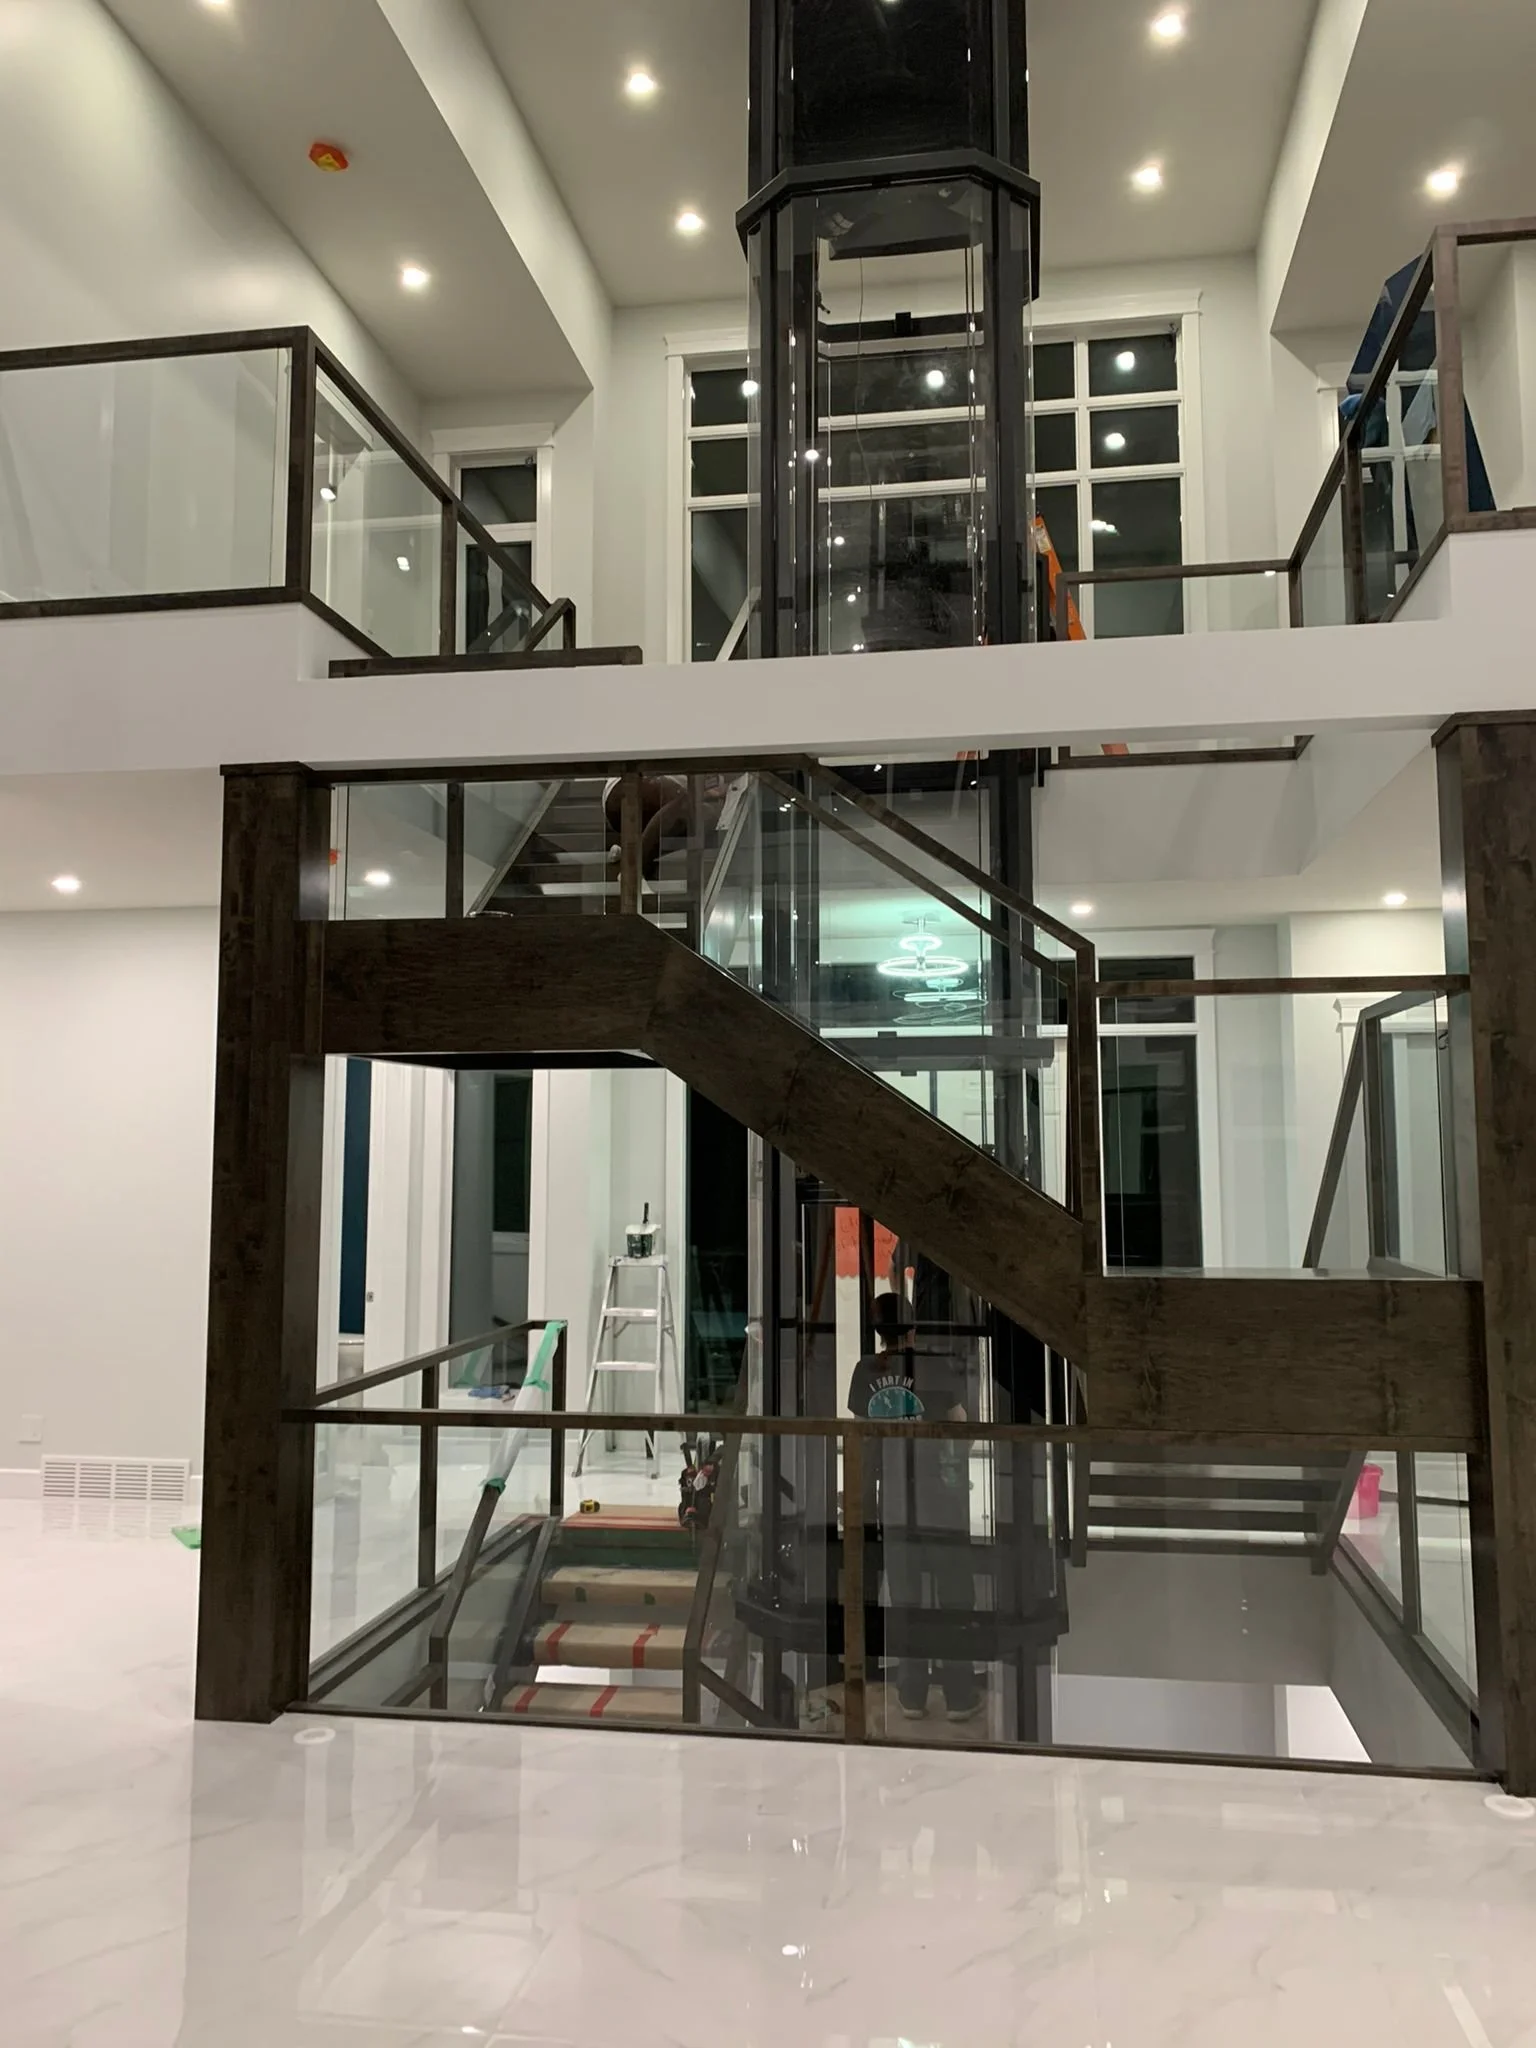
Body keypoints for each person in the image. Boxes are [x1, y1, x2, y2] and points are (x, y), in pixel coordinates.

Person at [847, 1292, 981, 1723]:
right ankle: (960, 1696)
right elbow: (963, 1430)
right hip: (944, 1502)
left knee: (905, 1600)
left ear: (877, 1332)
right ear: (914, 1327)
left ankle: (911, 1695)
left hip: (897, 1507)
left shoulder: (865, 1373)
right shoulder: (937, 1366)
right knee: (954, 1599)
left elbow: (861, 1444)